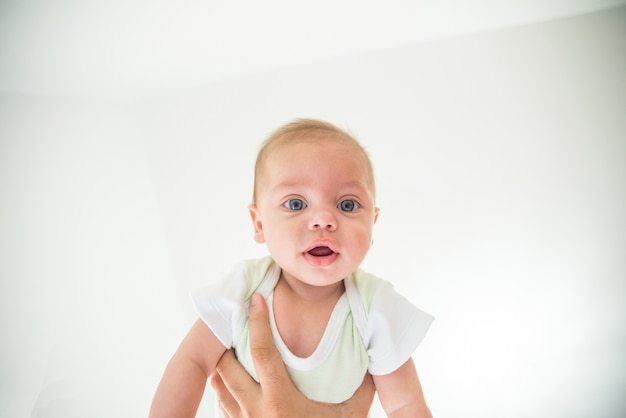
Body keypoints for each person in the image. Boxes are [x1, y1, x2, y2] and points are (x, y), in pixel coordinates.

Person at [150, 119, 434, 417]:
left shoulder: (375, 309)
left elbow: (406, 405)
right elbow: (191, 362)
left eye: (347, 205)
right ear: (259, 224)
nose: (323, 219)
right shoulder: (245, 287)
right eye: (296, 204)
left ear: (372, 224)